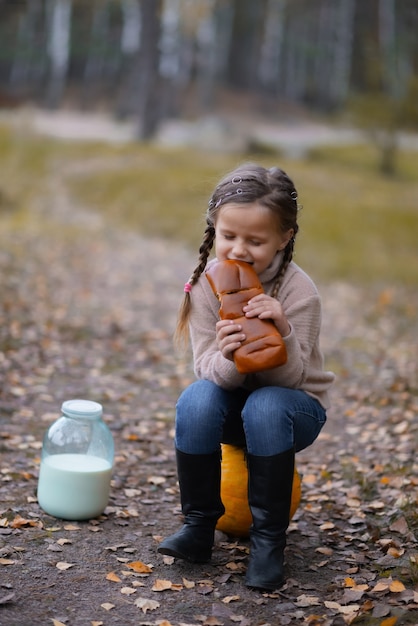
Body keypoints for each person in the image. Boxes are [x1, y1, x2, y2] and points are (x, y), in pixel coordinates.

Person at [158, 163, 335, 591]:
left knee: (267, 404)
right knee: (196, 399)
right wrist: (232, 355)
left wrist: (283, 332)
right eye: (229, 236)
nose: (238, 250)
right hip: (233, 402)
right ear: (214, 228)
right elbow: (207, 373)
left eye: (255, 241)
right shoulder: (205, 286)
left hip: (295, 410)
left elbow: (291, 381)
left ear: (284, 237)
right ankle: (198, 527)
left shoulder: (298, 291)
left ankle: (268, 543)